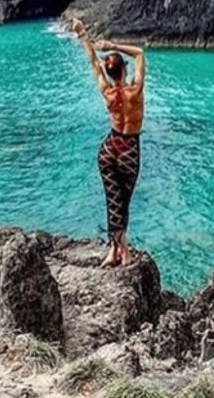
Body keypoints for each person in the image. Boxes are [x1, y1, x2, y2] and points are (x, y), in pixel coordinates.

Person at [72, 17, 146, 267]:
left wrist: (83, 34)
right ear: (124, 70)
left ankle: (113, 250)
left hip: (109, 148)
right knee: (122, 201)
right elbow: (139, 54)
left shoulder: (107, 90)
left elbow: (93, 61)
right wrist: (112, 44)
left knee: (112, 199)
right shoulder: (134, 91)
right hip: (128, 149)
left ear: (111, 72)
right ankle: (122, 251)